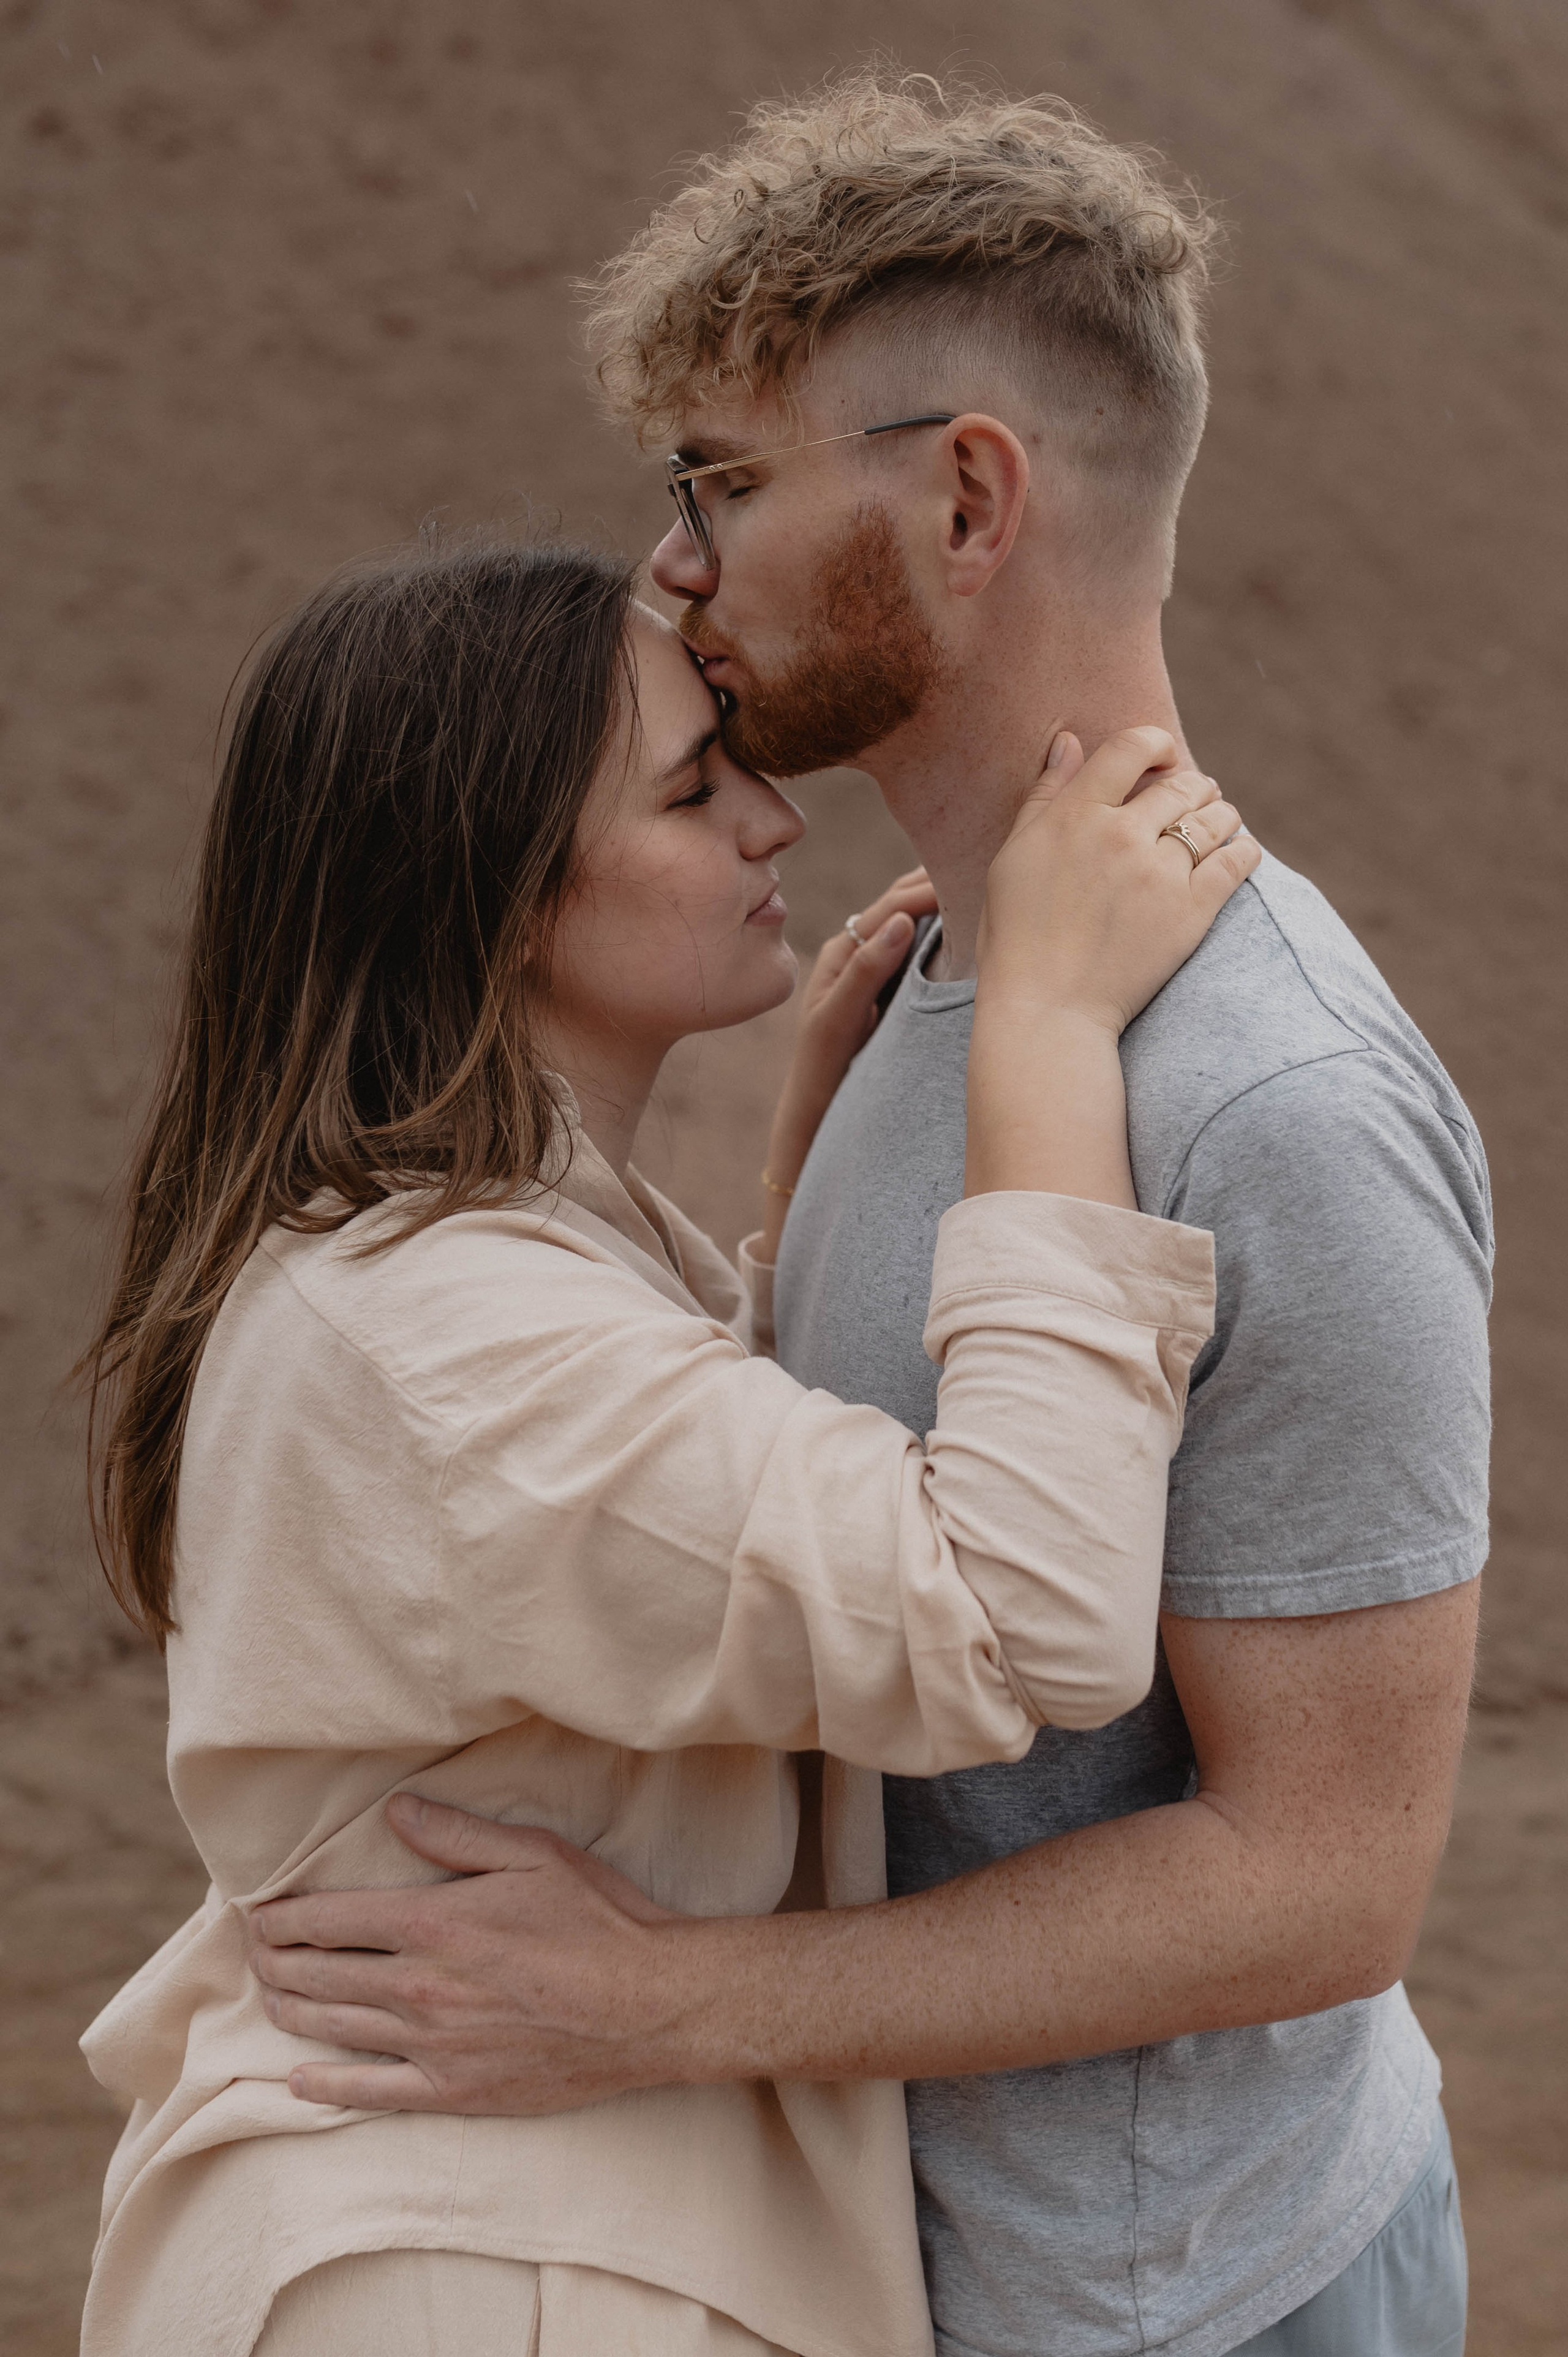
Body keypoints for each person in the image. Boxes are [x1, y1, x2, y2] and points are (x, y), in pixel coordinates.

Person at [249, 78, 1491, 2357]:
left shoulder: (1273, 1091)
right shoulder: (941, 978)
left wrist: (663, 2003)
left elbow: (1325, 1883)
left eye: (725, 484)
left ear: (970, 499)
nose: (676, 568)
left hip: (1182, 2304)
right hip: (924, 2270)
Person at [78, 530, 1253, 2357]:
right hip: (484, 2275)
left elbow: (629, 1538)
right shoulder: (446, 1335)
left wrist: (799, 1200)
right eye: (696, 790)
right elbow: (1021, 1615)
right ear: (491, 891)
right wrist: (1045, 1028)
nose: (775, 821)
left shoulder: (451, 1261)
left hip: (511, 2227)